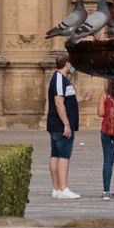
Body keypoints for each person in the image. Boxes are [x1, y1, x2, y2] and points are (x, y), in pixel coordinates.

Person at [46, 54, 80, 199]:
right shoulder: (59, 79)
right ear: (67, 64)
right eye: (71, 64)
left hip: (57, 123)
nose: (73, 67)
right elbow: (59, 103)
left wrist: (82, 99)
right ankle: (63, 189)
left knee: (55, 154)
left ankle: (56, 189)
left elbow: (67, 101)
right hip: (61, 124)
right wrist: (66, 124)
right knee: (64, 155)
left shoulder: (62, 79)